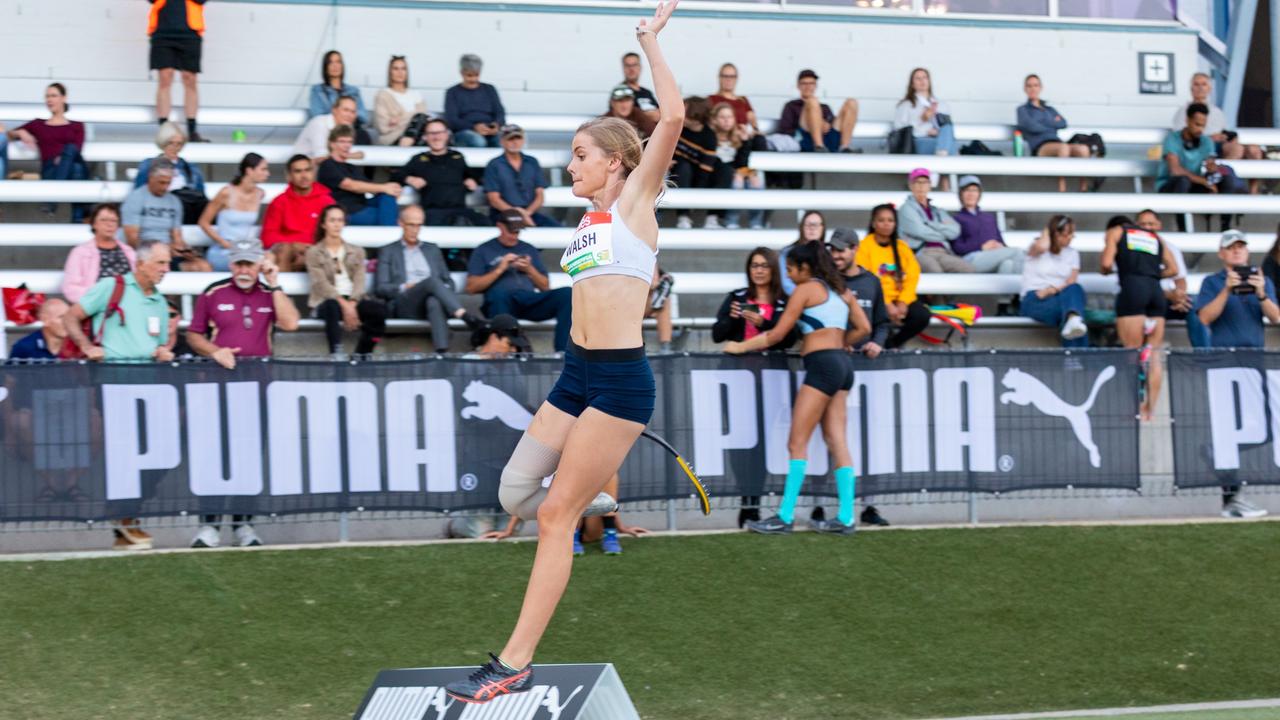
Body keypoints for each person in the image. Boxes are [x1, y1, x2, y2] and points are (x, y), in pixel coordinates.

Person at [444, 3, 681, 702]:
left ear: (614, 160)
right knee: (513, 493)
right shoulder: (585, 221)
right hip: (574, 375)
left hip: (617, 384)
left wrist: (647, 41)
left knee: (551, 518)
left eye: (581, 155)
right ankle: (594, 488)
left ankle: (515, 661)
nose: (570, 165)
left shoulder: (637, 200)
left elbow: (670, 117)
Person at [726, 241, 869, 536]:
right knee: (837, 441)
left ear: (806, 267)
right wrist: (842, 342)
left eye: (790, 268)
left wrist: (739, 347)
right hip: (843, 366)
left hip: (823, 367)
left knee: (797, 442)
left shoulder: (805, 290)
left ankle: (785, 516)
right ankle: (845, 518)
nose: (788, 275)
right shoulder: (842, 291)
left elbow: (777, 334)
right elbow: (864, 328)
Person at [186, 241, 300, 548]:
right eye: (239, 264)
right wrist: (216, 350)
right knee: (214, 456)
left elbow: (290, 323)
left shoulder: (269, 293)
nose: (244, 270)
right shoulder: (214, 292)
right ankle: (209, 526)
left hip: (257, 387)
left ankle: (243, 524)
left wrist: (275, 284)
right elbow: (194, 334)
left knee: (249, 457)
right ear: (231, 264)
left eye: (250, 264)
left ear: (259, 264)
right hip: (218, 387)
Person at [64, 240, 175, 551]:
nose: (166, 269)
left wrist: (162, 353)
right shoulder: (111, 287)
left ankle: (124, 518)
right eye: (160, 263)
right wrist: (87, 347)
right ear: (140, 264)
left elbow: (159, 343)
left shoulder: (160, 302)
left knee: (162, 452)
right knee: (127, 453)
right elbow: (71, 317)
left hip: (150, 383)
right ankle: (127, 517)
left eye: (167, 264)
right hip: (113, 381)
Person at [1195, 229, 1277, 519]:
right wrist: (1226, 290)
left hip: (1253, 361)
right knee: (1229, 426)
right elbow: (1204, 318)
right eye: (1231, 248)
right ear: (1222, 254)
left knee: (1265, 427)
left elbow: (1277, 317)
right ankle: (1232, 499)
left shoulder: (1261, 279)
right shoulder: (1212, 282)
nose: (1237, 252)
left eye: (1241, 247)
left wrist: (1262, 293)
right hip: (1224, 363)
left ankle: (1214, 450)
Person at [712, 246, 797, 528]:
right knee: (740, 444)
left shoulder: (784, 300)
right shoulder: (737, 298)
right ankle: (745, 499)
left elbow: (788, 339)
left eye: (764, 265)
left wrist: (764, 323)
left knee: (760, 444)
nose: (758, 270)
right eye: (754, 265)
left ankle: (755, 503)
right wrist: (733, 318)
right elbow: (717, 334)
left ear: (773, 269)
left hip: (769, 381)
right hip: (736, 379)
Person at [1100, 215, 1178, 421]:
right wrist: (1150, 272)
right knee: (1154, 354)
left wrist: (1114, 268)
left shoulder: (1116, 232)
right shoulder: (1155, 237)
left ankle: (1134, 406)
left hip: (1132, 290)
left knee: (1132, 353)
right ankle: (1150, 409)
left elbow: (1106, 263)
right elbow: (1174, 269)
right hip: (1156, 292)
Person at [375, 205, 483, 353]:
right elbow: (381, 288)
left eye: (419, 225)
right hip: (405, 303)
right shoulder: (388, 251)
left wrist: (441, 290)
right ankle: (464, 315)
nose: (415, 230)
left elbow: (449, 281)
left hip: (431, 301)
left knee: (434, 300)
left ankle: (441, 352)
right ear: (400, 223)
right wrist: (404, 287)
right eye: (411, 225)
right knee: (431, 282)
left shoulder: (432, 249)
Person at [465, 212, 573, 351]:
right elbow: (471, 287)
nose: (514, 235)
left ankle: (562, 352)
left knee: (567, 294)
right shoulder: (484, 249)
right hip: (500, 301)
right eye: (511, 231)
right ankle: (511, 349)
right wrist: (500, 268)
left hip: (528, 299)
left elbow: (545, 286)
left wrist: (529, 269)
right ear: (500, 226)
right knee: (499, 295)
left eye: (518, 231)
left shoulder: (528, 248)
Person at [305, 205, 387, 357]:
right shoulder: (313, 252)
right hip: (326, 302)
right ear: (323, 224)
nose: (337, 224)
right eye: (332, 220)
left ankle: (362, 354)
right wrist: (346, 305)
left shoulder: (357, 251)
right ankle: (336, 353)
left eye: (340, 220)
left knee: (378, 310)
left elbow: (359, 280)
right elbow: (321, 284)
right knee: (332, 306)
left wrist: (353, 303)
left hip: (353, 300)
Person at [6, 83, 88, 220]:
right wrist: (20, 132)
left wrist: (62, 158)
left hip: (70, 164)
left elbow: (77, 150)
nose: (49, 100)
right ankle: (78, 219)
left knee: (72, 152)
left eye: (54, 96)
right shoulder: (38, 124)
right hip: (51, 170)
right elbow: (8, 135)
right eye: (47, 96)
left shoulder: (77, 126)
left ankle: (51, 201)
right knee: (77, 168)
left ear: (64, 98)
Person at [1157, 103, 1246, 231]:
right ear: (1187, 120)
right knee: (1183, 181)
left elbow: (1210, 162)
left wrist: (1213, 171)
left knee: (1227, 178)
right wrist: (1204, 181)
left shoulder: (1206, 141)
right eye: (1197, 124)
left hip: (1193, 184)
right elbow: (1175, 170)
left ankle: (1225, 227)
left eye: (1203, 125)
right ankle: (1183, 230)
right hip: (1169, 185)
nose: (1200, 129)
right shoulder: (1172, 139)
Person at [856, 204, 931, 348]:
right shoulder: (864, 247)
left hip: (901, 300)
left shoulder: (902, 247)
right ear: (873, 223)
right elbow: (867, 280)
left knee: (922, 316)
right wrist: (887, 303)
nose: (886, 224)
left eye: (890, 220)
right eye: (881, 220)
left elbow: (912, 276)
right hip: (877, 300)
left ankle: (893, 344)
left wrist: (903, 302)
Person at [1173, 72, 1263, 193]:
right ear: (1191, 88)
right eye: (1196, 84)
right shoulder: (1183, 112)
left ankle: (1252, 190)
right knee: (1237, 150)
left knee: (1253, 149)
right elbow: (1181, 137)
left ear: (1209, 88)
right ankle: (1225, 182)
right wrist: (1209, 138)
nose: (1200, 88)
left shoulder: (1216, 111)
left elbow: (1224, 131)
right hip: (1198, 148)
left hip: (1219, 147)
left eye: (1204, 84)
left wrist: (1227, 137)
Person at [1136, 209, 1209, 348]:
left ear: (1159, 225)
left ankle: (1204, 356)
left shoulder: (1171, 248)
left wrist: (1180, 296)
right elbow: (1138, 286)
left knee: (1193, 304)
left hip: (1167, 301)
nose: (1147, 228)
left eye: (1151, 224)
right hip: (1143, 301)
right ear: (1135, 226)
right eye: (1143, 224)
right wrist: (1170, 295)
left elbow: (1180, 280)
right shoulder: (1130, 249)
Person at [394, 118, 486, 227]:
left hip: (460, 210)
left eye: (440, 133)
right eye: (431, 133)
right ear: (425, 137)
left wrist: (472, 180)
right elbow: (396, 175)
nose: (436, 137)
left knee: (486, 224)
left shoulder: (457, 157)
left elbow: (472, 174)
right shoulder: (419, 159)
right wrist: (409, 179)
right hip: (433, 212)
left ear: (447, 135)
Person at [121, 159, 210, 271]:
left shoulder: (174, 201)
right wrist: (162, 249)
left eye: (169, 183)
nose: (165, 187)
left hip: (168, 254)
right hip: (144, 255)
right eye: (161, 182)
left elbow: (177, 237)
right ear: (150, 178)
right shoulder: (135, 198)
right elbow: (132, 240)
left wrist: (185, 250)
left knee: (204, 266)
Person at [1019, 215, 1088, 347]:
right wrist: (1049, 229)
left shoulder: (1073, 253)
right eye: (1066, 234)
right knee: (1074, 315)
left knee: (1074, 293)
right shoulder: (1037, 247)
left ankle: (1073, 318)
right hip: (1035, 299)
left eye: (1072, 234)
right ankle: (1078, 361)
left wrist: (1051, 290)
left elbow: (1071, 281)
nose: (1070, 238)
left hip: (1058, 297)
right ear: (1056, 233)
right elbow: (1043, 245)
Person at [1016, 74, 1092, 193]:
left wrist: (1042, 123)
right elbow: (1032, 127)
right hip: (1040, 146)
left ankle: (1084, 187)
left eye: (1035, 85)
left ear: (1040, 88)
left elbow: (1063, 123)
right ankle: (1062, 188)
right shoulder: (1023, 110)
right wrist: (1051, 123)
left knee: (1083, 149)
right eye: (1029, 86)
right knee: (1063, 148)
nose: (1033, 89)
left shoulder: (1049, 109)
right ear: (1025, 89)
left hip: (1056, 143)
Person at [260, 154, 334, 272]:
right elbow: (268, 237)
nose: (304, 176)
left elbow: (333, 234)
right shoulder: (280, 202)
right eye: (298, 171)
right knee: (284, 250)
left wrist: (306, 248)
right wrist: (294, 245)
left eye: (307, 170)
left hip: (316, 251)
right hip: (288, 254)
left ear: (313, 173)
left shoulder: (327, 202)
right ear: (289, 175)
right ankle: (280, 289)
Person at [317, 125, 401, 227]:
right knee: (388, 216)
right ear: (332, 144)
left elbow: (368, 186)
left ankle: (390, 231)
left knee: (387, 196)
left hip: (362, 205)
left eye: (349, 142)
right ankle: (390, 234)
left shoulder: (351, 167)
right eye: (342, 141)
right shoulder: (328, 165)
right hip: (345, 211)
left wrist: (392, 189)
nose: (347, 145)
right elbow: (350, 185)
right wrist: (384, 187)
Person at [197, 153, 268, 272]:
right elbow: (203, 222)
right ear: (249, 170)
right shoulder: (226, 192)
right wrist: (224, 243)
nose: (267, 173)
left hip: (246, 250)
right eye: (263, 169)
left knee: (268, 260)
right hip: (224, 251)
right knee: (246, 265)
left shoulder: (260, 193)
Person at [148, 0, 206, 142]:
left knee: (190, 78)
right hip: (162, 32)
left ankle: (192, 130)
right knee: (165, 78)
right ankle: (164, 131)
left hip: (190, 32)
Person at [672, 96, 733, 230]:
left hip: (702, 174)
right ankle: (684, 217)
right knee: (684, 167)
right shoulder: (676, 128)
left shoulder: (709, 136)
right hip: (680, 172)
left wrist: (697, 197)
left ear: (695, 115)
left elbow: (705, 170)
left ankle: (712, 218)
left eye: (685, 110)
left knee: (726, 170)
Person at [827, 229, 889, 359]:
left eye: (840, 250)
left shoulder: (872, 281)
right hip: (834, 356)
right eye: (832, 250)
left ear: (855, 248)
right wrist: (838, 344)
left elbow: (882, 323)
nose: (834, 255)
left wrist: (877, 343)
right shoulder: (826, 281)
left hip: (865, 359)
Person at [899, 168, 973, 274]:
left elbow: (955, 231)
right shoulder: (906, 208)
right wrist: (943, 234)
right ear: (910, 185)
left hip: (943, 252)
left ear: (930, 185)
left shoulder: (937, 211)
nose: (921, 186)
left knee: (968, 269)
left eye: (924, 182)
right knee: (935, 271)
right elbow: (920, 231)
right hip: (920, 252)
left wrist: (929, 224)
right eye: (917, 182)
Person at [134, 121, 209, 224]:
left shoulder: (191, 168)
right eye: (170, 143)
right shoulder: (148, 164)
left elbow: (199, 194)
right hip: (159, 209)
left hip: (188, 211)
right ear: (163, 143)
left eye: (179, 144)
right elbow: (139, 192)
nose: (175, 148)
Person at [484, 124, 557, 227]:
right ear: (502, 142)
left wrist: (526, 214)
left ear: (523, 140)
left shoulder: (532, 162)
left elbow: (540, 195)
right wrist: (520, 215)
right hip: (503, 214)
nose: (515, 142)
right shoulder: (494, 164)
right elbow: (494, 199)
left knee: (556, 230)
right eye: (510, 139)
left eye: (518, 138)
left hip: (530, 213)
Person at [62, 204, 138, 303]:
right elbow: (70, 288)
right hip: (95, 305)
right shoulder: (80, 252)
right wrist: (98, 298)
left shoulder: (129, 251)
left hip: (128, 303)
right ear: (94, 224)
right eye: (104, 220)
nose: (109, 224)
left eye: (113, 221)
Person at [775, 69, 860, 153]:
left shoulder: (825, 107)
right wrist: (814, 124)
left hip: (828, 138)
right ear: (798, 86)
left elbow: (834, 125)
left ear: (815, 86)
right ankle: (819, 146)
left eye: (811, 83)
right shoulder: (791, 105)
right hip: (806, 139)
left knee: (851, 102)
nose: (808, 87)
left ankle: (844, 147)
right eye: (804, 83)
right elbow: (785, 130)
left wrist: (826, 125)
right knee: (812, 101)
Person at [951, 175, 1023, 274]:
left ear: (979, 194)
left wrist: (1000, 246)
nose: (971, 194)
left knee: (1008, 264)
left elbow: (1001, 241)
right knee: (1017, 252)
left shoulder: (989, 217)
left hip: (993, 255)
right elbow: (957, 248)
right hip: (972, 258)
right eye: (967, 190)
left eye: (974, 190)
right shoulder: (956, 219)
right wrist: (981, 247)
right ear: (961, 194)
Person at [711, 102, 765, 230]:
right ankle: (731, 220)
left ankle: (756, 222)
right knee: (737, 179)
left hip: (735, 171)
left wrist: (745, 142)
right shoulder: (710, 137)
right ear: (715, 119)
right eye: (722, 117)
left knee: (757, 176)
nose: (726, 121)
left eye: (729, 117)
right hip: (719, 174)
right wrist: (738, 172)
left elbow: (742, 163)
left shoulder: (738, 136)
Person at [444, 54, 505, 148]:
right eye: (469, 75)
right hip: (464, 131)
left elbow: (500, 112)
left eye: (476, 75)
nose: (473, 79)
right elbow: (452, 120)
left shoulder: (489, 89)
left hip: (490, 131)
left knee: (504, 140)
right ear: (461, 72)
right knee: (478, 141)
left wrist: (496, 124)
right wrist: (474, 127)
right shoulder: (452, 92)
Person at [893, 68, 956, 158]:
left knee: (947, 128)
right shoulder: (906, 105)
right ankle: (944, 164)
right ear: (912, 84)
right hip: (919, 140)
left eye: (925, 77)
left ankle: (941, 157)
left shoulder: (941, 104)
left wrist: (937, 129)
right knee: (950, 146)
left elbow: (947, 128)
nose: (922, 81)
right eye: (918, 78)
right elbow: (899, 128)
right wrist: (924, 123)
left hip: (939, 139)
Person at [373, 55, 429, 146]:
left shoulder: (416, 95)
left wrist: (399, 119)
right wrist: (412, 118)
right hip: (393, 139)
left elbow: (422, 119)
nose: (400, 72)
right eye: (396, 69)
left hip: (417, 137)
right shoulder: (383, 95)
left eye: (403, 69)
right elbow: (383, 127)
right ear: (390, 72)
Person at [293, 95, 365, 161]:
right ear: (334, 110)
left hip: (329, 168)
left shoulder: (348, 127)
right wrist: (348, 155)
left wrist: (346, 155)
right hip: (304, 170)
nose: (349, 115)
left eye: (353, 112)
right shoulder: (319, 123)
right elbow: (321, 157)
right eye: (346, 110)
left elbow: (360, 154)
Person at [308, 50, 367, 124]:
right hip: (328, 130)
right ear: (325, 67)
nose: (335, 65)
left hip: (350, 129)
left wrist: (343, 117)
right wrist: (346, 115)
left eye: (338, 62)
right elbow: (317, 116)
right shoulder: (317, 90)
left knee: (363, 133)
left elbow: (363, 117)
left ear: (342, 66)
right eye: (330, 62)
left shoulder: (354, 91)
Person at [780, 210, 827, 294]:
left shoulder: (828, 254)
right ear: (802, 227)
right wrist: (806, 296)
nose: (812, 228)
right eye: (808, 224)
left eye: (815, 225)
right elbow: (786, 284)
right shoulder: (787, 252)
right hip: (795, 299)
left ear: (823, 228)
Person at [708, 62, 758, 132]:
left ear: (736, 79)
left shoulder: (743, 100)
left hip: (742, 138)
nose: (729, 79)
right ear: (719, 78)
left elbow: (753, 123)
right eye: (725, 76)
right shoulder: (711, 99)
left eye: (732, 76)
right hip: (721, 138)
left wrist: (755, 132)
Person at [619, 52, 660, 121]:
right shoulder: (620, 91)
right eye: (627, 65)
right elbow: (625, 115)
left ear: (640, 67)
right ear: (623, 68)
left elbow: (660, 113)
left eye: (634, 65)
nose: (631, 69)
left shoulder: (647, 92)